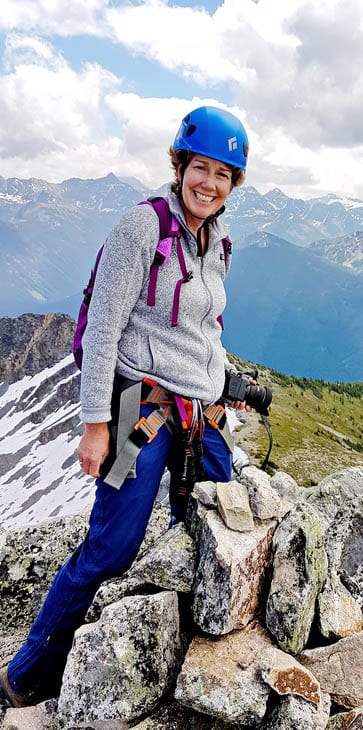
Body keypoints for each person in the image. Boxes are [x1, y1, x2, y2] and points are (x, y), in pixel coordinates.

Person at [0, 105, 250, 707]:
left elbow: (203, 329)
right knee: (112, 545)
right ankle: (26, 672)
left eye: (223, 173)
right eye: (200, 167)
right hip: (139, 408)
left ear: (232, 184)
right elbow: (103, 329)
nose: (209, 183)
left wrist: (225, 382)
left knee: (220, 517)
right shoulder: (140, 229)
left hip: (200, 411)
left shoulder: (217, 242)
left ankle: (190, 645)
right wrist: (95, 427)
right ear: (180, 163)